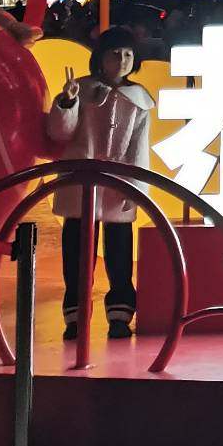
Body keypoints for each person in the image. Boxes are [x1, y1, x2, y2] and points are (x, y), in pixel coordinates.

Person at [43, 25, 154, 342]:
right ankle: (75, 318)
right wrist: (67, 103)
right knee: (77, 257)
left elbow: (139, 149)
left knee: (120, 257)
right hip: (80, 185)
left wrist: (137, 189)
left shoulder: (140, 99)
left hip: (119, 187)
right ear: (100, 58)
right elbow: (59, 133)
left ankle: (120, 316)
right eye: (115, 53)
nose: (122, 60)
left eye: (128, 54)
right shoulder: (79, 89)